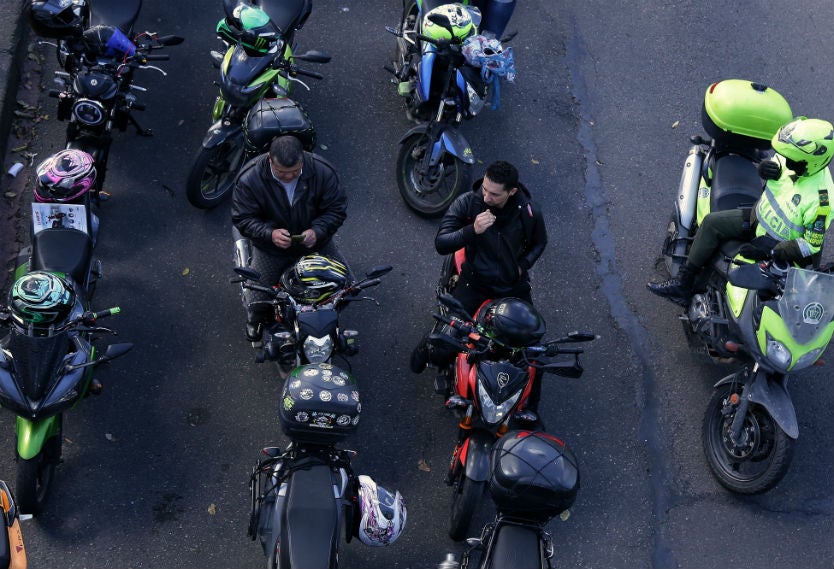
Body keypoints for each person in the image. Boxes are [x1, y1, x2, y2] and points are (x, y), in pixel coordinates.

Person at [648, 117, 834, 306]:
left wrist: (771, 250)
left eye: (791, 160)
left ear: (810, 163)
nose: (785, 161)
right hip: (756, 220)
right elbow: (777, 181)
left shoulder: (821, 199)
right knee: (712, 223)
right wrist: (763, 170)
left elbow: (810, 246)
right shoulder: (790, 156)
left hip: (780, 247)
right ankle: (683, 283)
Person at [410, 160, 548, 414]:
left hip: (512, 286)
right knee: (446, 342)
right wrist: (471, 230)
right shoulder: (469, 202)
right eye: (485, 189)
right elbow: (442, 242)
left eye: (494, 194)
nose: (486, 196)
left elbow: (540, 242)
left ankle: (531, 408)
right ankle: (425, 347)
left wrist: (522, 265)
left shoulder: (529, 211)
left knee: (533, 349)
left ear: (511, 192)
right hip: (475, 282)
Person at [231, 135, 347, 341]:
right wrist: (270, 234)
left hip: (315, 244)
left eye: (294, 171)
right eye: (282, 173)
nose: (289, 177)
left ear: (302, 159)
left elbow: (336, 210)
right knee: (257, 298)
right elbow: (243, 218)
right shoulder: (250, 179)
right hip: (271, 249)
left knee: (347, 287)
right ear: (269, 160)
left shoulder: (323, 171)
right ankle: (255, 321)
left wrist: (318, 231)